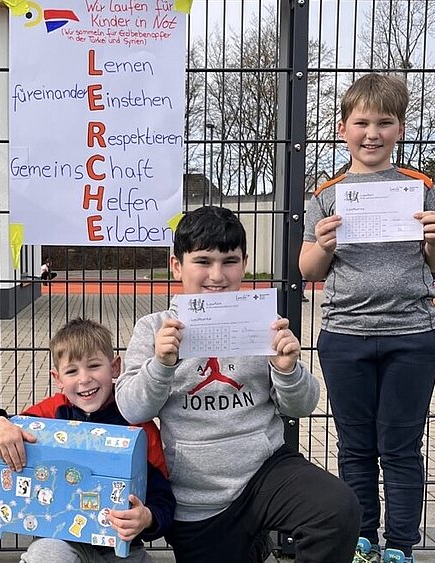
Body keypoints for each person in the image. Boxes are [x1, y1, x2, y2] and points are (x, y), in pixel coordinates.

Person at [115, 205, 361, 563]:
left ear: (244, 263)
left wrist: (288, 370)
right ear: (176, 265)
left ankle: (257, 535)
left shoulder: (264, 322)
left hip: (265, 472)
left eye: (229, 261)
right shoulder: (154, 328)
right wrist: (161, 366)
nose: (217, 275)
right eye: (203, 261)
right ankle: (251, 545)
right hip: (197, 501)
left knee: (337, 509)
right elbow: (131, 408)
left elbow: (302, 406)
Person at [299, 73, 435, 563]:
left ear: (400, 129)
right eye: (361, 122)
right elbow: (307, 269)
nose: (372, 133)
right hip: (346, 337)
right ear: (343, 128)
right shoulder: (327, 194)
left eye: (384, 123)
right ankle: (363, 536)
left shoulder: (419, 186)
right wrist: (322, 245)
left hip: (412, 335)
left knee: (401, 446)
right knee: (356, 445)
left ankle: (400, 545)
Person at [0, 318, 176, 563]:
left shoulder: (137, 425)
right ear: (57, 378)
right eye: (72, 371)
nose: (84, 379)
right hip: (58, 540)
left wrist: (147, 518)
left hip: (123, 548)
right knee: (45, 556)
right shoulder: (49, 415)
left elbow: (163, 500)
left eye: (93, 366)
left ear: (115, 368)